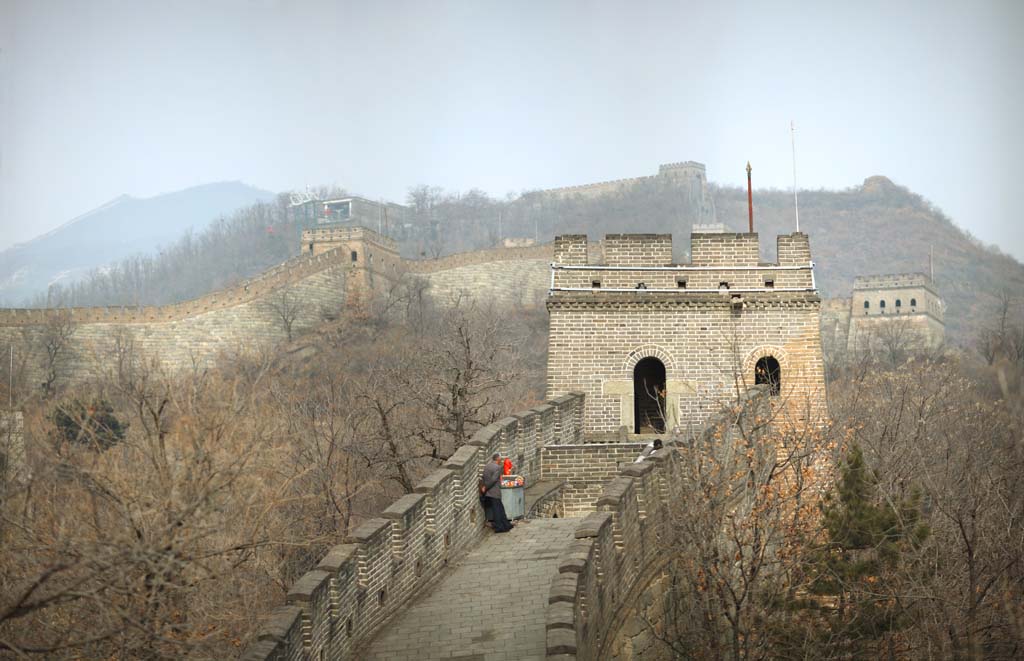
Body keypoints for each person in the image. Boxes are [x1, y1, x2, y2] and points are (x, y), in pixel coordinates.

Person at [481, 453, 513, 533]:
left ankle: (506, 524)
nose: (501, 461)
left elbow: (484, 477)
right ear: (498, 459)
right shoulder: (497, 468)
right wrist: (486, 487)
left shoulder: (487, 466)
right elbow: (494, 480)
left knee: (500, 508)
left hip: (490, 492)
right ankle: (500, 527)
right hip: (494, 491)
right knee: (497, 510)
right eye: (500, 459)